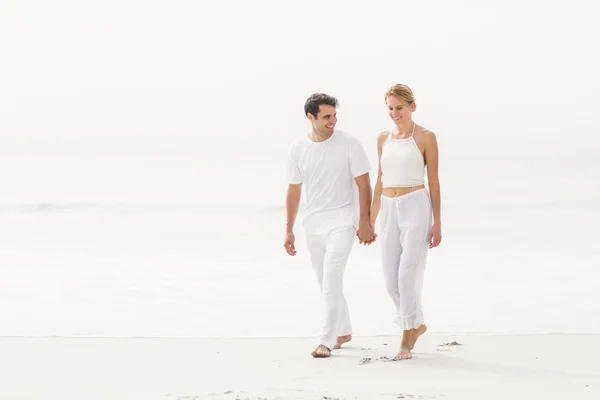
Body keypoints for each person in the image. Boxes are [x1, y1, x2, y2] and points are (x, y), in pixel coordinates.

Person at [284, 93, 376, 358]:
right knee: (325, 281)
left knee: (332, 277)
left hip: (342, 220)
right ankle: (344, 329)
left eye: (334, 115)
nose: (332, 121)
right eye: (326, 116)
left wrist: (364, 221)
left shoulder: (349, 143)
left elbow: (363, 185)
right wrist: (289, 228)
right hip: (313, 223)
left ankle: (326, 339)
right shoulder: (298, 148)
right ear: (310, 117)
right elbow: (293, 191)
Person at [369, 84, 442, 360]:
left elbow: (433, 181)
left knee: (408, 274)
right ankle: (417, 323)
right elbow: (380, 178)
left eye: (399, 107)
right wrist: (370, 217)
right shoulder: (382, 138)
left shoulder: (426, 137)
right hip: (388, 207)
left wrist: (437, 222)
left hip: (416, 206)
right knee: (391, 280)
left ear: (412, 106)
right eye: (390, 108)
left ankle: (406, 339)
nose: (394, 113)